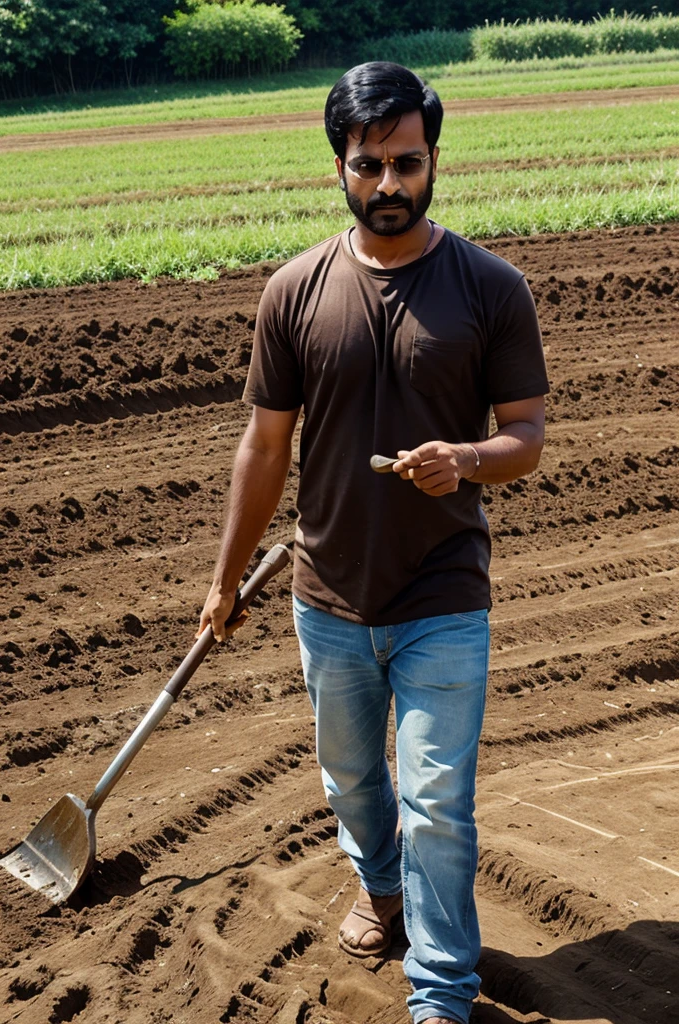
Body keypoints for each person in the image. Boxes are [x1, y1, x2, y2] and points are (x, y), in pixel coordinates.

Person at [199, 62, 549, 1024]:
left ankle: (440, 990)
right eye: (369, 165)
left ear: (435, 161)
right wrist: (226, 578)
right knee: (354, 779)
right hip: (330, 598)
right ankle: (380, 888)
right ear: (339, 169)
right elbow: (266, 446)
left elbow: (526, 433)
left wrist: (468, 460)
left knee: (439, 802)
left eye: (407, 162)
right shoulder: (295, 292)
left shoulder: (490, 288)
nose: (389, 183)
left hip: (444, 596)